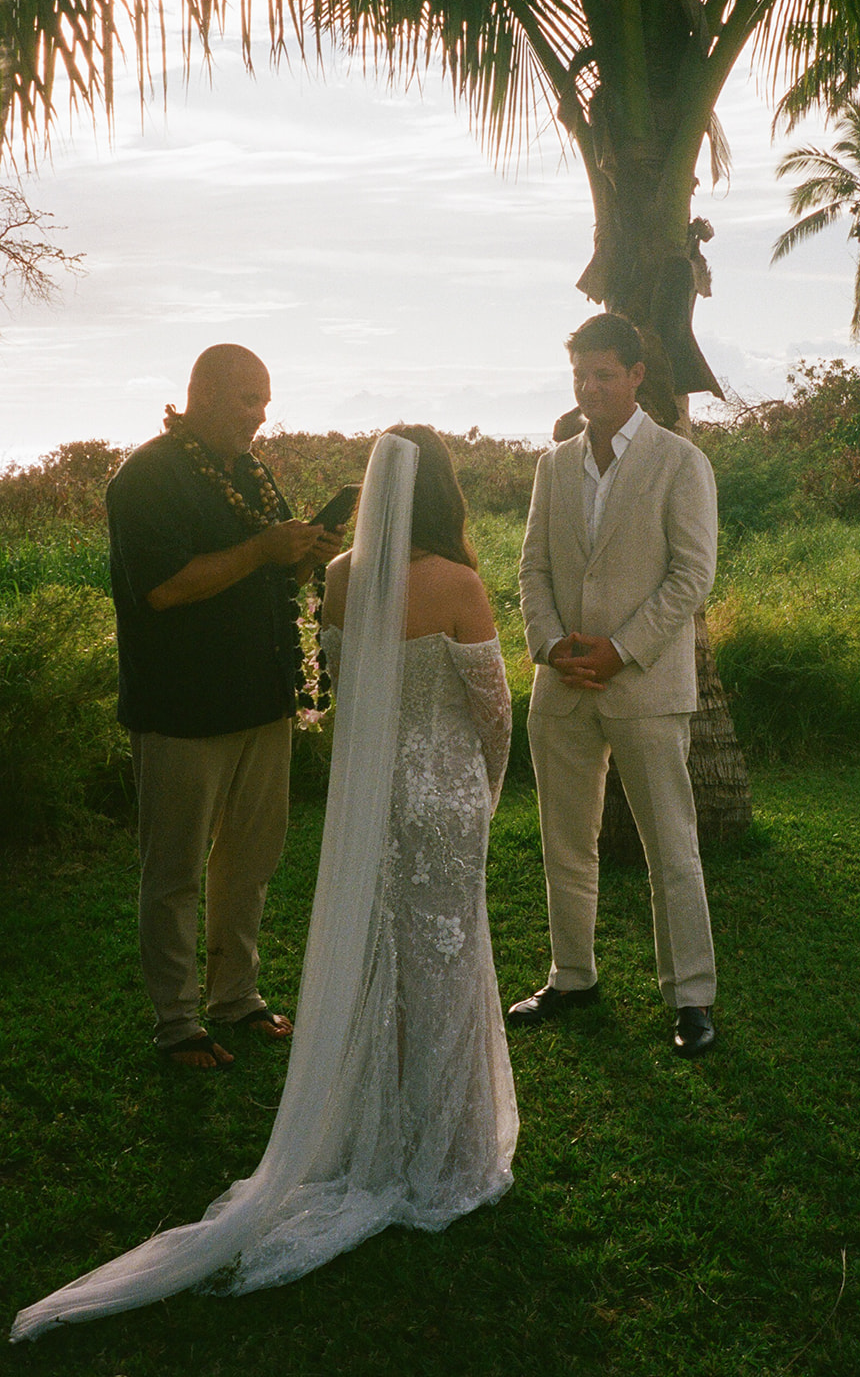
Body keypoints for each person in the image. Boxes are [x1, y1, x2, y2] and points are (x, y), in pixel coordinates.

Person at [12, 427, 516, 1341]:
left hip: (369, 803)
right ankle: (450, 1154)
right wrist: (485, 784)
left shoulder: (338, 577)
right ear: (447, 493)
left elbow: (333, 684)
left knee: (380, 956)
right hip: (440, 796)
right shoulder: (458, 583)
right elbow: (492, 707)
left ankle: (385, 1126)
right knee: (446, 955)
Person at [106, 344, 343, 1069]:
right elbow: (165, 588)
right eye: (248, 401)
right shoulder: (147, 476)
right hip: (183, 707)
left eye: (266, 402)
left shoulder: (249, 472)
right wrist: (263, 549)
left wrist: (303, 552)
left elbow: (263, 567)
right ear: (203, 395)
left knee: (250, 860)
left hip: (261, 699)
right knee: (175, 871)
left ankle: (235, 997)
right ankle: (177, 1023)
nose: (260, 417)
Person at [510, 312, 719, 1058]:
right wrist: (550, 644)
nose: (590, 388)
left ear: (636, 376)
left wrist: (621, 651)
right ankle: (572, 976)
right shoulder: (554, 464)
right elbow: (532, 567)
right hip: (562, 685)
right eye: (581, 375)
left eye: (604, 374)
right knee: (566, 843)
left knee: (672, 846)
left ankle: (691, 997)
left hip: (644, 688)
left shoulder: (679, 462)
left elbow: (691, 575)